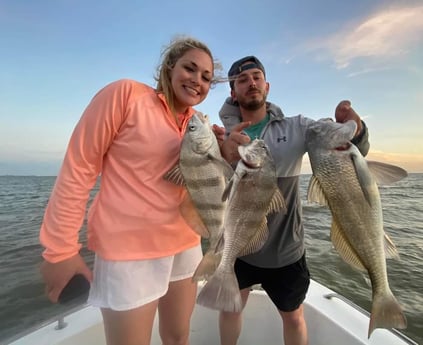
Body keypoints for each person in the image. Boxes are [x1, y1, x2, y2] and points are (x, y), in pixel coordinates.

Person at [39, 36, 220, 345]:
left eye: (206, 77)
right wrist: (60, 250)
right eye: (190, 68)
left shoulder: (197, 122)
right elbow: (79, 167)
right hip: (128, 253)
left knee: (178, 336)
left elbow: (207, 181)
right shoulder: (125, 94)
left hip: (186, 244)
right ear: (169, 66)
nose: (197, 81)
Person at [216, 56, 370, 345]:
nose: (251, 82)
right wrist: (222, 152)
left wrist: (357, 132)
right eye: (242, 79)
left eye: (256, 76)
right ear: (233, 93)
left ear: (267, 85)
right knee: (230, 310)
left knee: (294, 316)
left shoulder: (297, 126)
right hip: (239, 249)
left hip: (287, 251)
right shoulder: (223, 136)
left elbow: (342, 144)